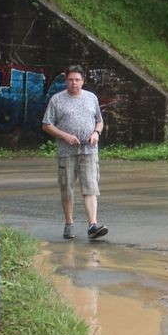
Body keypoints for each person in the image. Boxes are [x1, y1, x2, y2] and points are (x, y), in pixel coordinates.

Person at [42, 65, 108, 240]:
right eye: (71, 80)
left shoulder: (91, 98)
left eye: (77, 80)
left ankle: (93, 225)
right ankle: (69, 224)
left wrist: (96, 133)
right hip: (66, 151)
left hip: (89, 150)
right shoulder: (57, 100)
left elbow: (99, 122)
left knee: (90, 187)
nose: (74, 83)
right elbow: (46, 124)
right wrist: (65, 136)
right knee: (67, 188)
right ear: (66, 81)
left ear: (83, 81)